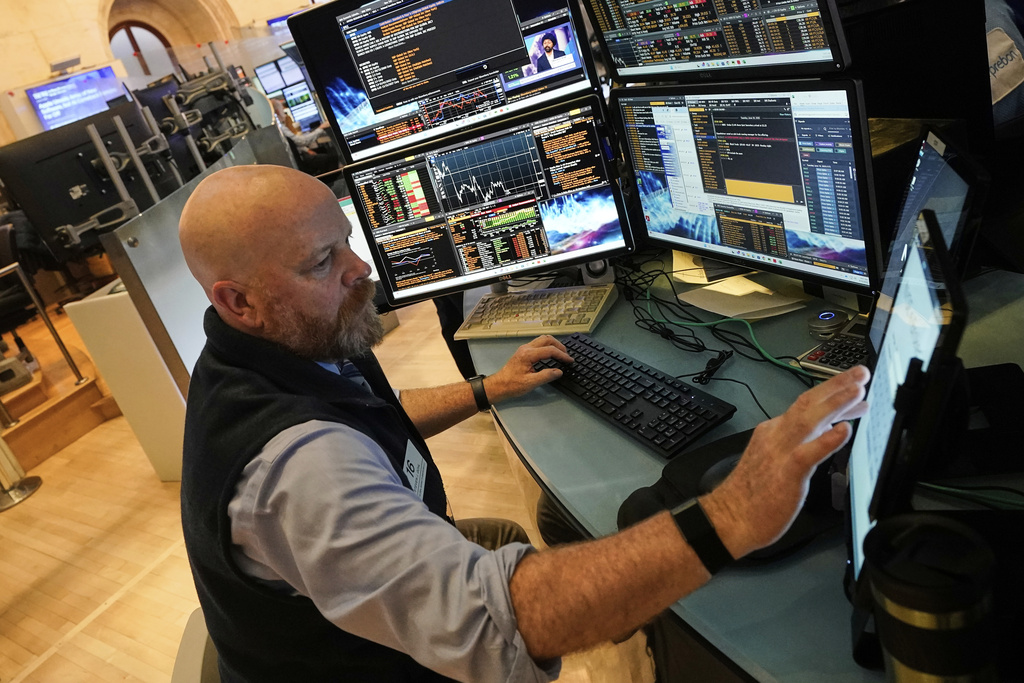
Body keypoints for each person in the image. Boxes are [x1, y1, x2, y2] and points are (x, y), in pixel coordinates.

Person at [178, 164, 870, 682]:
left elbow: (368, 419)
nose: (361, 270)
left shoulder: (272, 350)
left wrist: (489, 388)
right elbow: (496, 626)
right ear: (239, 301)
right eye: (322, 261)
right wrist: (733, 513)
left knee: (520, 533)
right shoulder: (301, 471)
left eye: (347, 242)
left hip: (338, 622)